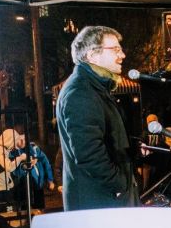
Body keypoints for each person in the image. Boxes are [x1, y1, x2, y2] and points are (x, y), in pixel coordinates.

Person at [56, 26, 140, 211]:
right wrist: (119, 184)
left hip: (104, 200)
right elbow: (89, 154)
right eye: (116, 49)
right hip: (99, 202)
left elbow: (107, 139)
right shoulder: (81, 92)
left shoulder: (93, 87)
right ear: (92, 55)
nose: (123, 55)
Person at [10, 135, 55, 211]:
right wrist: (24, 166)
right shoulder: (12, 153)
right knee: (25, 209)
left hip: (38, 184)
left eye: (25, 138)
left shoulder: (33, 148)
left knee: (40, 208)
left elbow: (45, 162)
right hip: (22, 187)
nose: (23, 141)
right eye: (20, 139)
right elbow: (14, 171)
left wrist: (50, 180)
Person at [0, 129, 26, 203]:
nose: (14, 145)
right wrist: (21, 158)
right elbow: (9, 167)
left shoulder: (2, 150)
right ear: (9, 140)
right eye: (14, 142)